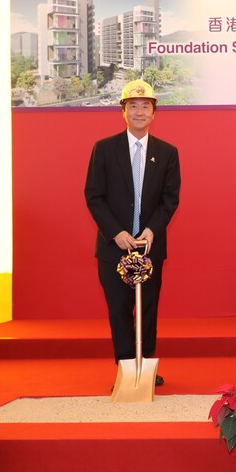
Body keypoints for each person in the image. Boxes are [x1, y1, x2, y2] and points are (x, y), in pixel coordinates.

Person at [85, 79, 181, 386]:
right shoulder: (104, 148)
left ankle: (146, 369)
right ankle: (127, 372)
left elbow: (170, 198)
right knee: (120, 310)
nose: (140, 112)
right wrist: (117, 233)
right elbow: (94, 196)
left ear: (154, 113)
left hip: (150, 246)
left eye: (146, 106)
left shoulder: (167, 152)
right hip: (114, 247)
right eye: (133, 106)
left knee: (148, 310)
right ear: (123, 111)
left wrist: (152, 229)